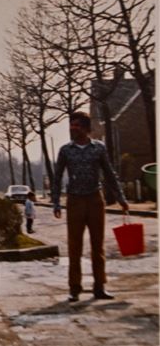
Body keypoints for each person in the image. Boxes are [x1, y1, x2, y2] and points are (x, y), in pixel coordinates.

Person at [52, 111, 129, 303]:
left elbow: (110, 174)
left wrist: (121, 198)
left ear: (86, 128)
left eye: (77, 125)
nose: (73, 128)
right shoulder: (65, 150)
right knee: (74, 246)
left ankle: (99, 286)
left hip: (95, 199)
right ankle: (74, 288)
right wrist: (56, 202)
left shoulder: (98, 148)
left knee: (98, 245)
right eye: (71, 125)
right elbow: (57, 176)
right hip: (74, 200)